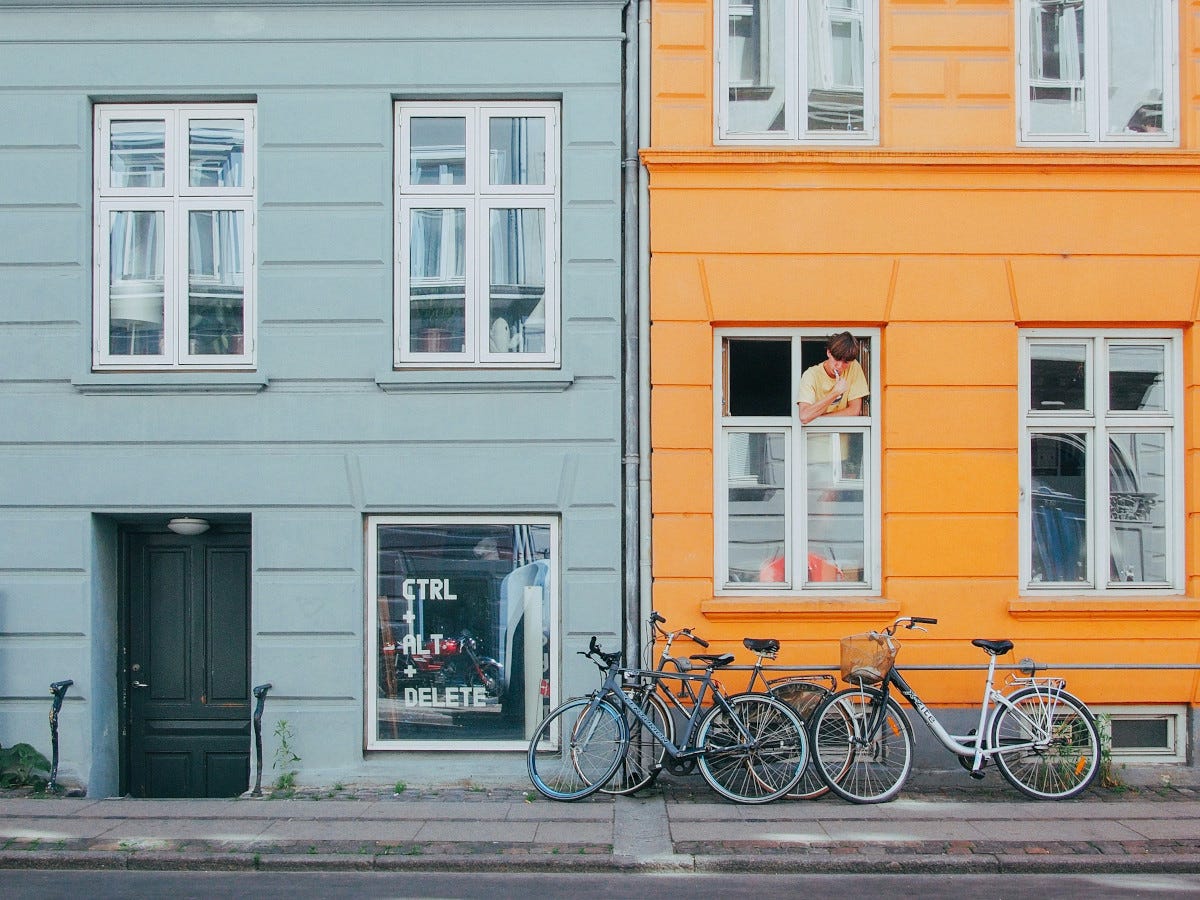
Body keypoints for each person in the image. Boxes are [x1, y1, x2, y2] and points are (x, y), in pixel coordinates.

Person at [797, 331, 869, 424]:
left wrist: (819, 418)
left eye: (845, 362)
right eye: (837, 359)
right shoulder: (811, 375)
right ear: (829, 352)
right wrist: (835, 393)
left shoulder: (854, 367)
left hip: (842, 436)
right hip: (814, 436)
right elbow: (804, 416)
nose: (839, 366)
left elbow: (854, 410)